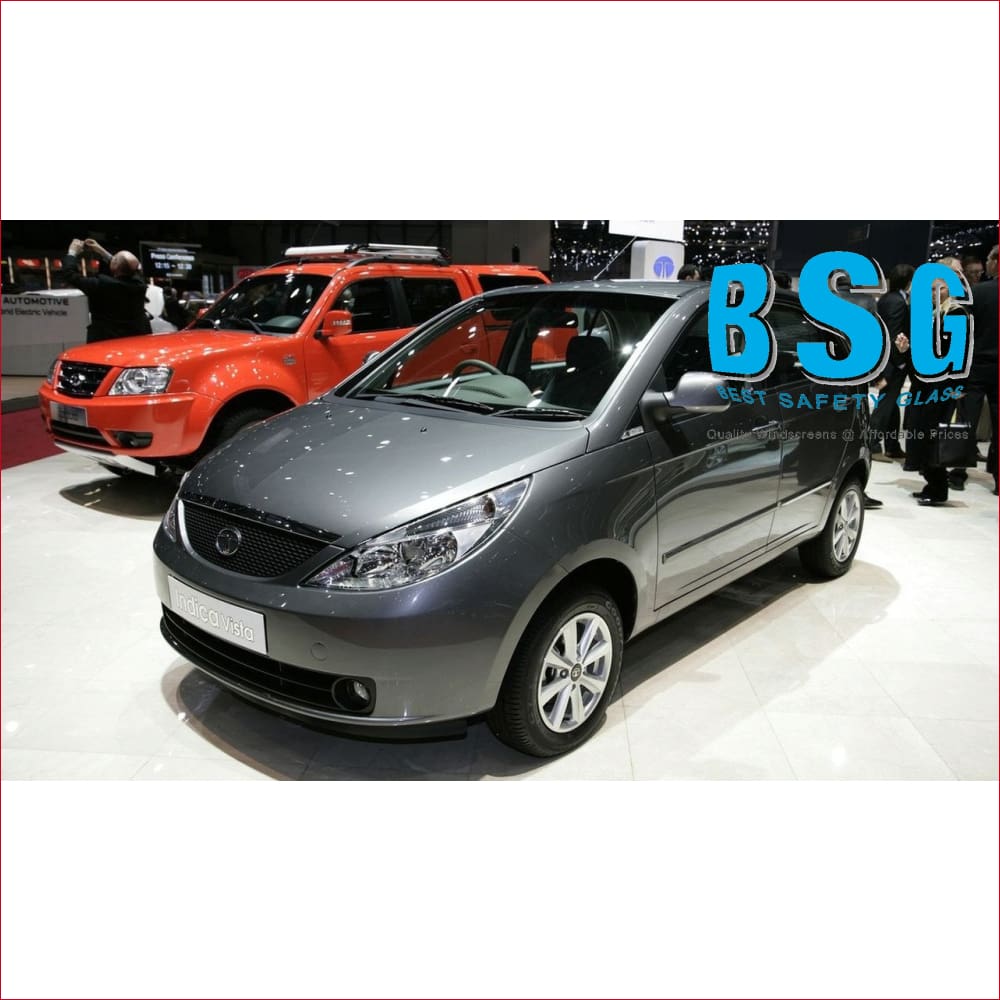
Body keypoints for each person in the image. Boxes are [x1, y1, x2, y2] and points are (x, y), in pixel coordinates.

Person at [897, 269, 969, 505]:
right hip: (925, 384)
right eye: (931, 289)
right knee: (921, 432)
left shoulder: (956, 313)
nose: (935, 293)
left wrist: (958, 386)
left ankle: (938, 488)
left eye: (941, 288)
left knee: (933, 436)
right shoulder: (933, 313)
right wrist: (906, 348)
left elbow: (961, 355)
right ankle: (932, 483)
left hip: (942, 386)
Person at [948, 277, 998, 494]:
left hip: (974, 365)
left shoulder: (978, 292)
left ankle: (958, 473)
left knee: (966, 421)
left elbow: (961, 330)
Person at [62, 237, 152, 343]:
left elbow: (70, 275)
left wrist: (72, 252)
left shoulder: (101, 284)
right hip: (134, 340)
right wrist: (101, 251)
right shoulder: (140, 285)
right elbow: (126, 266)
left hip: (106, 341)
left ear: (115, 265)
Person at [871, 263, 915, 460]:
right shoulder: (897, 301)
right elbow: (894, 334)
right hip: (893, 363)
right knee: (885, 405)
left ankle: (892, 445)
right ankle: (871, 444)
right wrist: (899, 363)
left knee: (890, 404)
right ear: (909, 281)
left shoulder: (887, 299)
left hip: (887, 361)